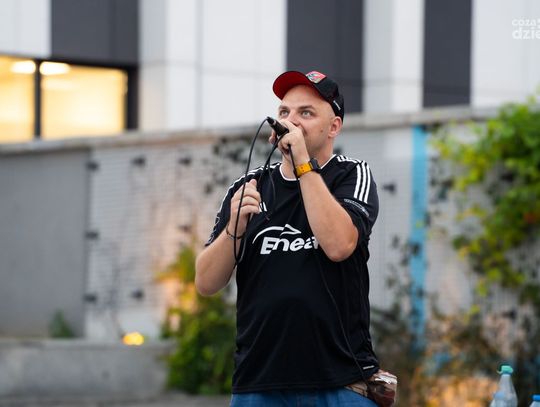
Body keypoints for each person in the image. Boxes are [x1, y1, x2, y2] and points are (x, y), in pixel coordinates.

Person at [195, 70, 380, 406]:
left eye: (306, 113)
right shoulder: (249, 185)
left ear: (334, 127)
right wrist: (235, 226)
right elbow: (206, 282)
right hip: (258, 384)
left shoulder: (352, 175)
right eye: (284, 112)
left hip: (339, 383)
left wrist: (303, 165)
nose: (290, 121)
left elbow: (339, 246)